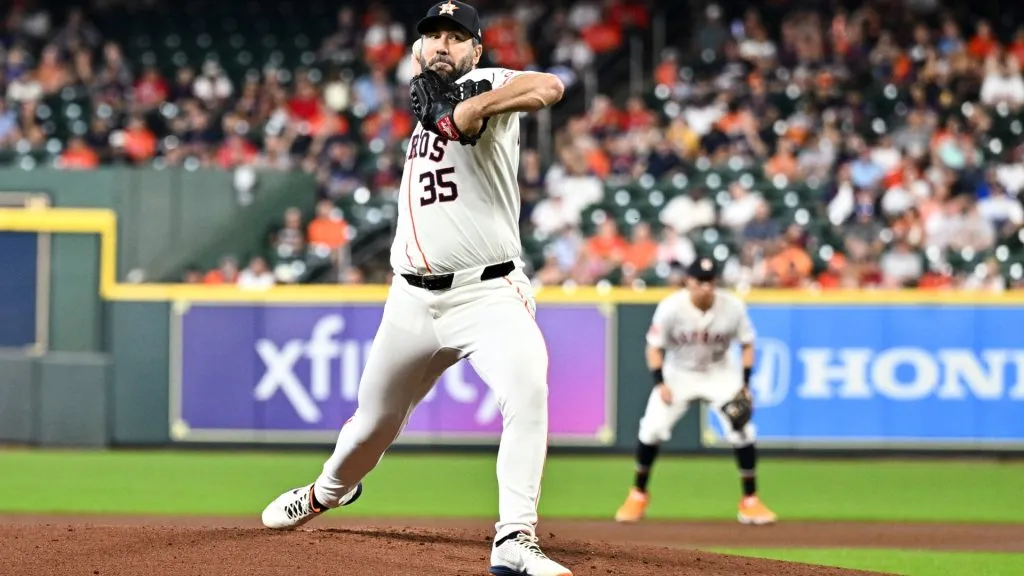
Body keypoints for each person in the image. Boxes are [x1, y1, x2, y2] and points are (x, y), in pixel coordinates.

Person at [260, 2, 571, 575]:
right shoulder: (424, 96)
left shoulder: (485, 80)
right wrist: (453, 113)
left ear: (477, 49)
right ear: (416, 50)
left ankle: (514, 537)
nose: (443, 47)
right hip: (411, 300)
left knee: (528, 390)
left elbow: (549, 85)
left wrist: (472, 106)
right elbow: (445, 113)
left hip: (488, 294)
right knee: (369, 429)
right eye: (433, 38)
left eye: (457, 38)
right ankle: (328, 492)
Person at [613, 257, 778, 526]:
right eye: (700, 282)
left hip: (720, 372)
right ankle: (638, 494)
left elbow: (748, 344)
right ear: (688, 282)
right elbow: (654, 347)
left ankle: (750, 502)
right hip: (680, 373)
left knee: (743, 430)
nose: (706, 287)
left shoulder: (732, 307)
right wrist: (660, 383)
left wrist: (745, 383)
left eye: (711, 281)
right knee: (651, 429)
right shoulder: (671, 307)